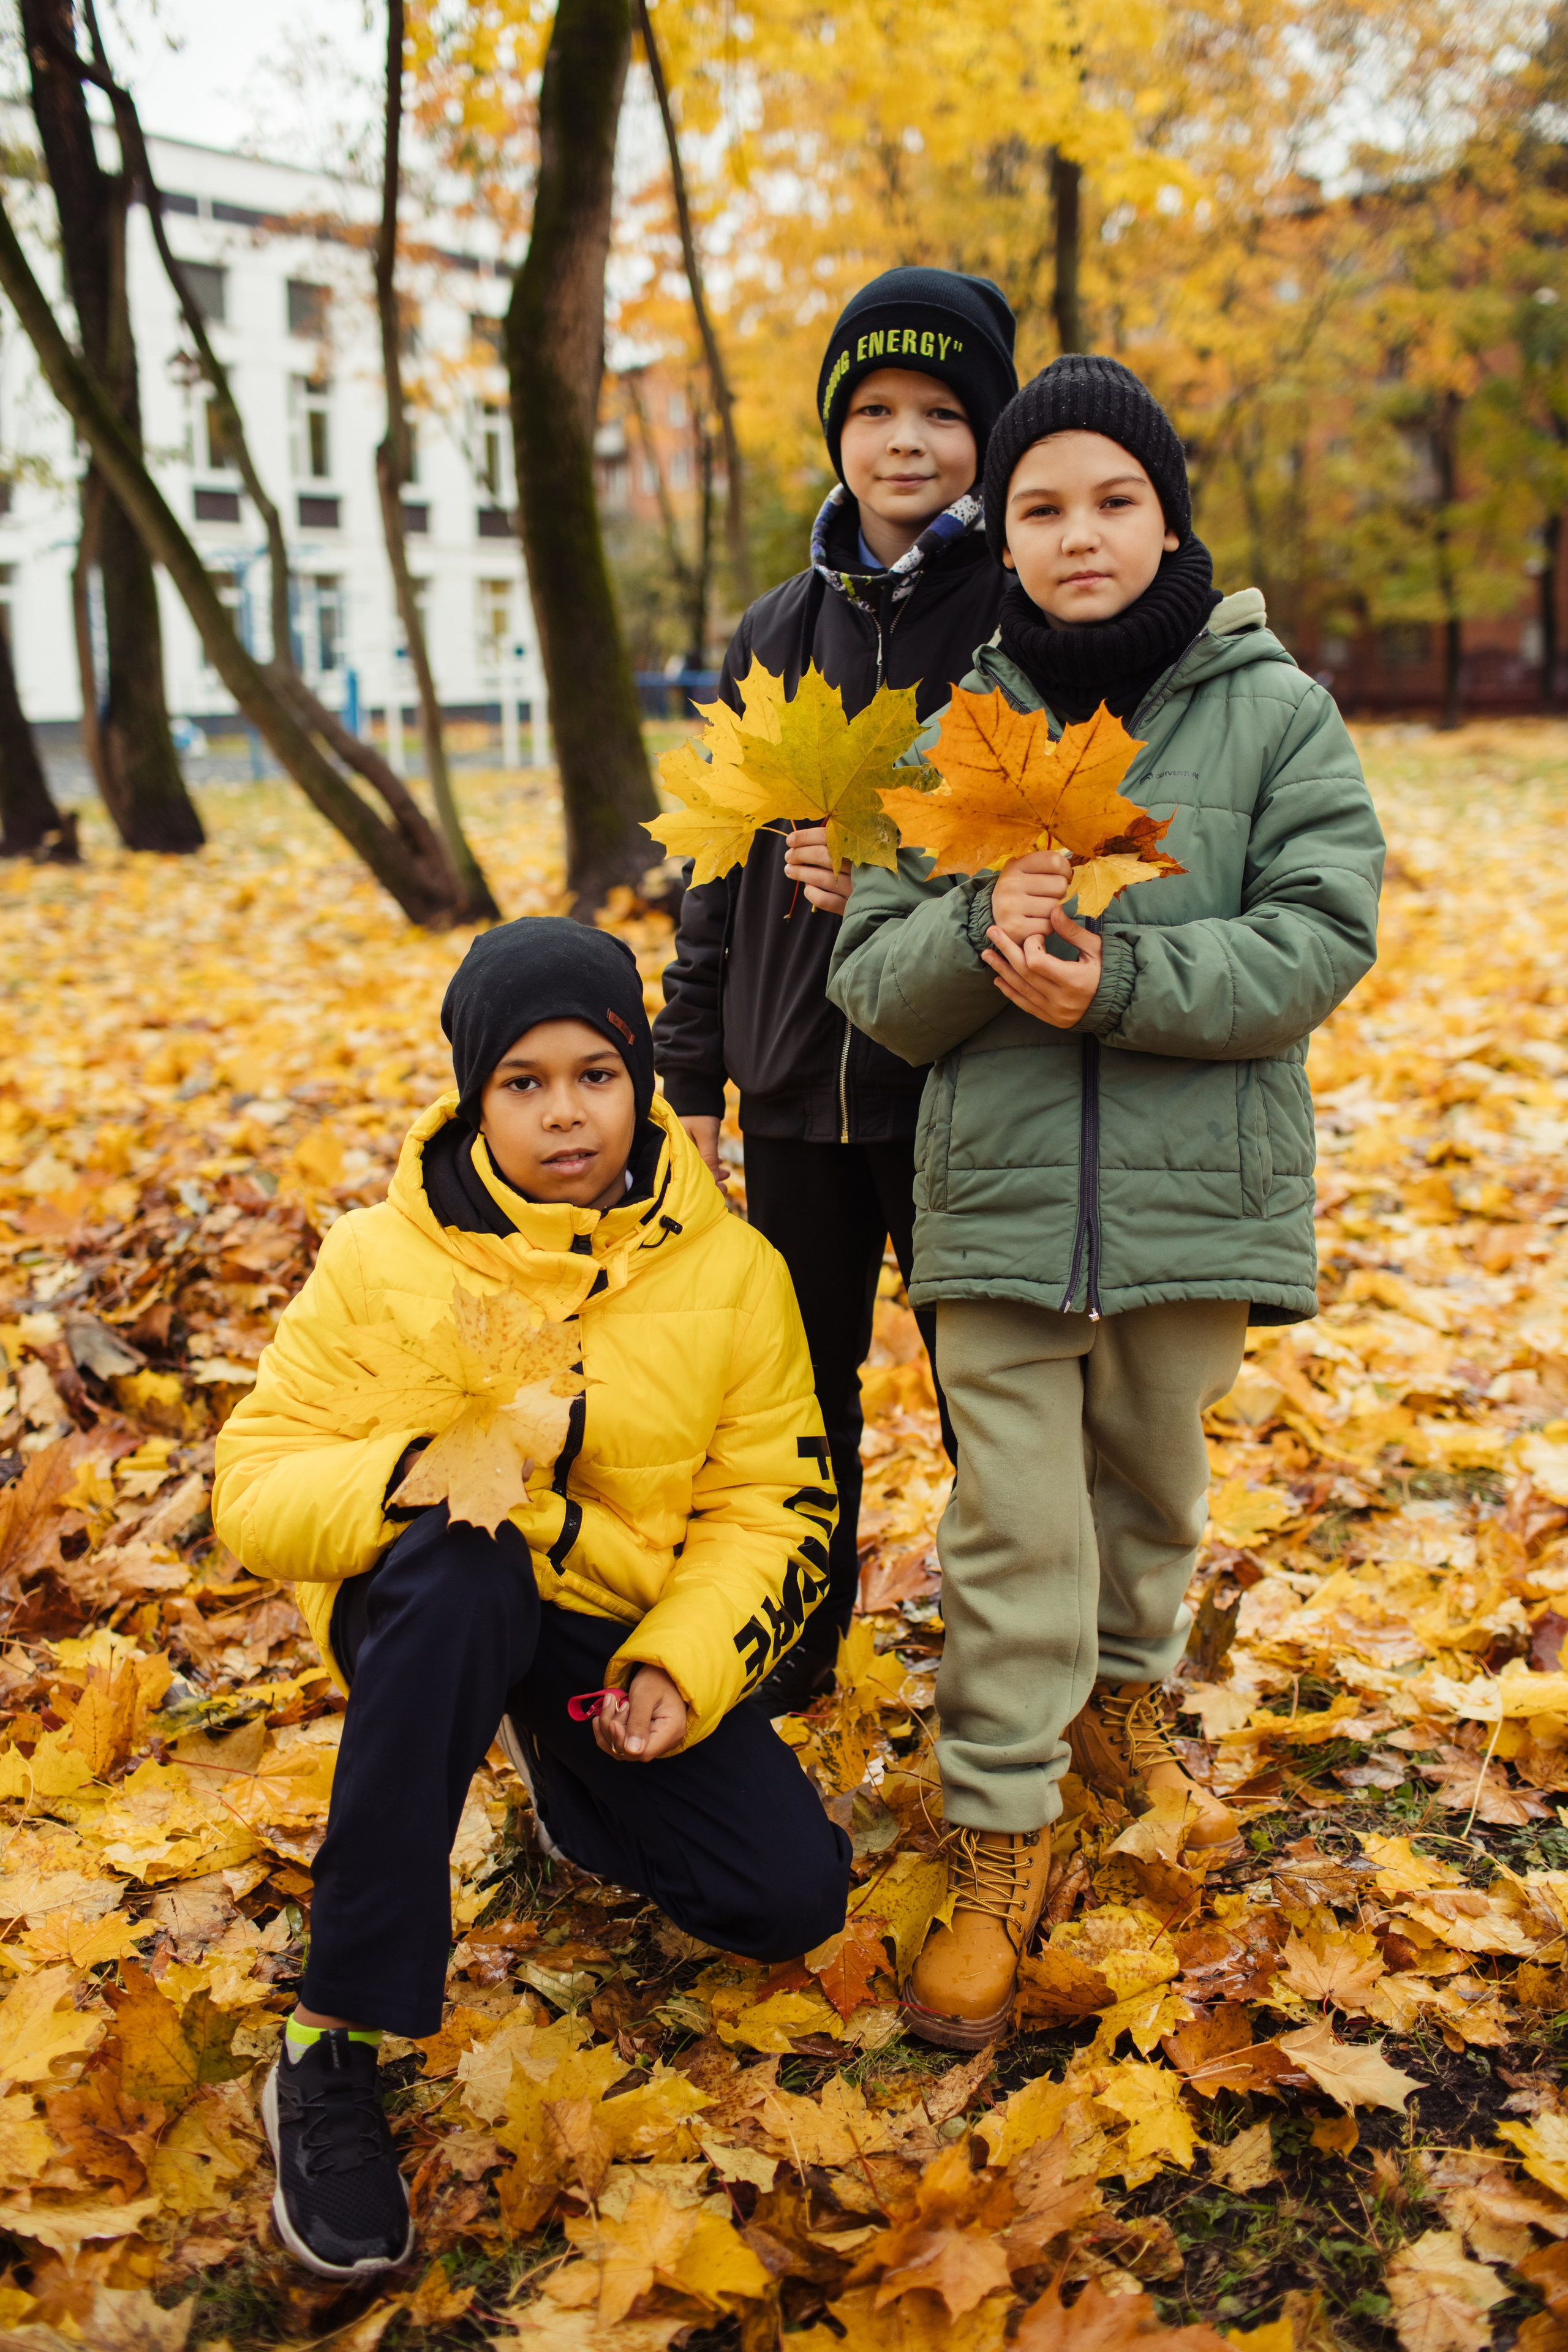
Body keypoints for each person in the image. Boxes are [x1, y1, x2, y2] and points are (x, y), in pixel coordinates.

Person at [827, 354, 1385, 2048]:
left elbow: (1321, 932)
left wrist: (1116, 978)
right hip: (997, 1206)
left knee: (1149, 1487)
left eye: (1113, 502)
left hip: (1188, 1195)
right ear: (1008, 532)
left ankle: (1126, 1703)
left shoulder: (1274, 710)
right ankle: (1000, 1830)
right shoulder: (955, 737)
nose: (1081, 537)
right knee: (1012, 1525)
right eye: (1046, 507)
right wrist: (979, 938)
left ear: (1168, 515)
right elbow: (875, 976)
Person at [212, 919, 848, 2279]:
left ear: (639, 1077)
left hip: (604, 1623)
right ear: (470, 1096)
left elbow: (775, 1509)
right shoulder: (383, 1259)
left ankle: (568, 1764)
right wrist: (415, 1473)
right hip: (436, 1605)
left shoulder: (732, 1272)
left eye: (594, 1074)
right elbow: (252, 1488)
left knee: (786, 1899)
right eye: (522, 1083)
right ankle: (334, 2037)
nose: (565, 1113)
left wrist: (687, 1663)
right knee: (462, 1561)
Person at [654, 266, 1019, 1711]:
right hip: (794, 1088)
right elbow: (711, 875)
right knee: (798, 1401)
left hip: (960, 1087)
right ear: (835, 431)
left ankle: (1009, 1664)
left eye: (940, 410)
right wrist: (688, 1070)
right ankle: (796, 1648)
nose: (905, 439)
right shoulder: (770, 632)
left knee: (992, 1398)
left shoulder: (1010, 619)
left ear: (984, 435)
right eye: (872, 409)